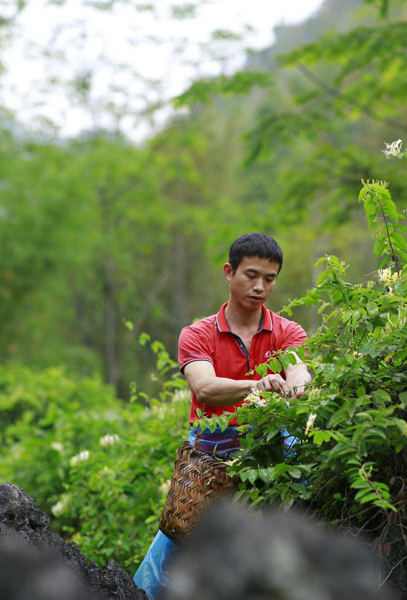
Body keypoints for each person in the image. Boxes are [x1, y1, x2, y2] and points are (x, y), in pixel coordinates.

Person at [134, 232, 313, 599]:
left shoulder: (287, 331)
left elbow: (297, 372)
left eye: (270, 278)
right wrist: (258, 386)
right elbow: (205, 388)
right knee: (180, 543)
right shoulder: (198, 334)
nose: (260, 286)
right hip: (211, 454)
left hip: (269, 448)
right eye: (251, 275)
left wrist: (299, 385)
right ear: (228, 272)